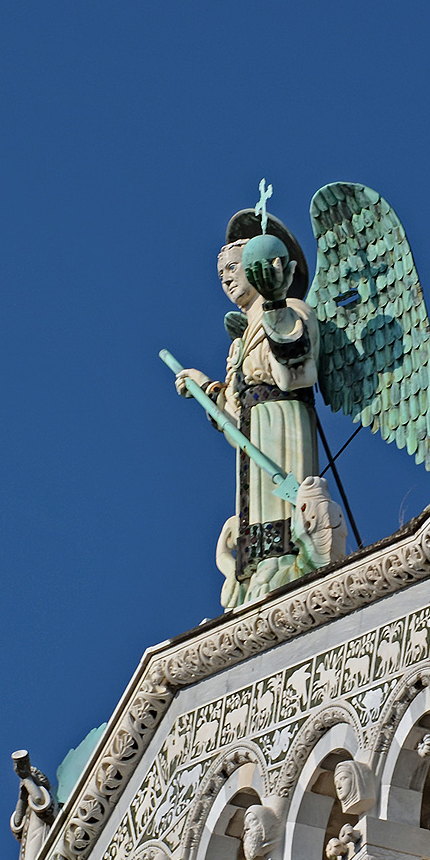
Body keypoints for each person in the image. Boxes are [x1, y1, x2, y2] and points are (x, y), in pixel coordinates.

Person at [173, 211, 321, 609]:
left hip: (283, 416)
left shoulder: (295, 310)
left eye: (234, 267)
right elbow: (233, 417)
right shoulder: (237, 343)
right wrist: (207, 388)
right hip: (253, 429)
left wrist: (274, 305)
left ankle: (289, 563)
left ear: (262, 266)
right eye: (221, 273)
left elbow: (296, 375)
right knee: (255, 511)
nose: (226, 278)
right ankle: (258, 571)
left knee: (284, 514)